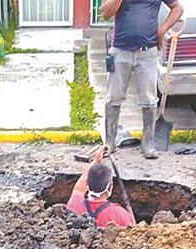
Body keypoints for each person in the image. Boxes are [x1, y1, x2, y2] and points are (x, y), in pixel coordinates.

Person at [101, 0, 184, 160]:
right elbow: (105, 13)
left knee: (149, 99)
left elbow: (177, 8)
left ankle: (148, 143)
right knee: (113, 97)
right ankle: (110, 142)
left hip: (148, 52)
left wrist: (162, 31)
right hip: (119, 50)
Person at [66, 147, 136, 229]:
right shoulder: (120, 214)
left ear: (87, 184)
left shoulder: (74, 204)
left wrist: (96, 161)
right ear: (110, 187)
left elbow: (79, 188)